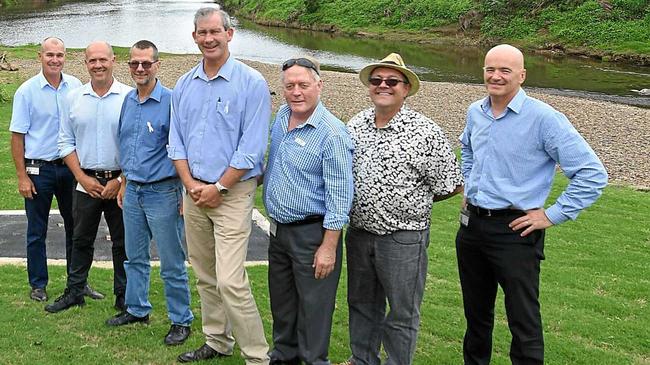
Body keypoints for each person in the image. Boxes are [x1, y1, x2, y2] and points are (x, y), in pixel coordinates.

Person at [456, 44, 608, 365]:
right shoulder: (475, 112)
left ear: (522, 76)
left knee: (523, 321)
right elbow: (467, 149)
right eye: (490, 69)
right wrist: (470, 183)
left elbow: (592, 174)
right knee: (476, 317)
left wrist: (551, 215)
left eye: (505, 70)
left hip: (515, 232)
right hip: (472, 228)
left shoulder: (544, 119)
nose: (495, 76)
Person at [341, 53, 464, 365]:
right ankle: (363, 359)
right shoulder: (354, 126)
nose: (383, 85)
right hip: (359, 234)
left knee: (402, 310)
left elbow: (450, 184)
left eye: (392, 81)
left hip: (404, 239)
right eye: (377, 80)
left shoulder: (426, 132)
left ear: (406, 88)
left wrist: (411, 203)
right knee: (361, 303)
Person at [168, 7, 271, 364]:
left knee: (231, 280)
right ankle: (216, 340)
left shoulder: (251, 83)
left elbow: (252, 147)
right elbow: (176, 140)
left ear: (230, 34)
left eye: (215, 31)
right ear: (194, 36)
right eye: (202, 33)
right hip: (193, 191)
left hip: (232, 194)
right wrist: (190, 184)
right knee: (205, 273)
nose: (209, 39)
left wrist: (218, 188)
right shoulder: (184, 84)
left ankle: (257, 356)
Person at [264, 56, 354, 365]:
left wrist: (328, 247)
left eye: (303, 85)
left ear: (319, 85)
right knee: (283, 305)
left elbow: (340, 197)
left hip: (312, 235)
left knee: (314, 309)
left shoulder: (333, 134)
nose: (296, 92)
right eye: (290, 86)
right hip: (278, 232)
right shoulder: (282, 117)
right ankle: (283, 357)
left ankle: (315, 360)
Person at [103, 40, 194, 345]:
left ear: (157, 65)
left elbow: (184, 149)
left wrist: (183, 190)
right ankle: (137, 308)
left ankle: (181, 320)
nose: (139, 68)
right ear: (128, 66)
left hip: (164, 193)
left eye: (145, 63)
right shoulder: (128, 101)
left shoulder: (171, 101)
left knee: (171, 262)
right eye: (134, 64)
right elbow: (128, 146)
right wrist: (125, 182)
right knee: (134, 257)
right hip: (133, 193)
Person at [9, 37, 102, 302]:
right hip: (39, 170)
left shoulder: (75, 87)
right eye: (50, 54)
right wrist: (22, 175)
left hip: (70, 169)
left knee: (77, 227)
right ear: (40, 56)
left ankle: (78, 283)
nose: (55, 60)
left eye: (59, 55)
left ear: (65, 57)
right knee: (37, 229)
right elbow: (17, 137)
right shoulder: (27, 91)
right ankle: (38, 283)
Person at [45, 41, 132, 313]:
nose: (98, 65)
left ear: (113, 60)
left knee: (122, 243)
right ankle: (75, 291)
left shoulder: (128, 98)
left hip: (119, 183)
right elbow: (65, 142)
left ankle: (123, 295)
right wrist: (81, 177)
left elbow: (135, 144)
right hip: (86, 182)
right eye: (92, 60)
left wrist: (120, 181)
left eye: (103, 59)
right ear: (85, 63)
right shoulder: (74, 99)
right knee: (81, 239)